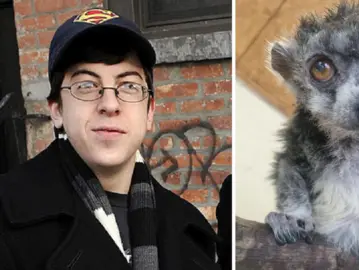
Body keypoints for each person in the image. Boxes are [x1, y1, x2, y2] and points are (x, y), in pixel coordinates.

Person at [0, 8, 226, 270]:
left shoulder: (192, 230)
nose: (110, 104)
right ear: (57, 109)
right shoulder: (7, 212)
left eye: (129, 86)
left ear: (149, 110)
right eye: (86, 85)